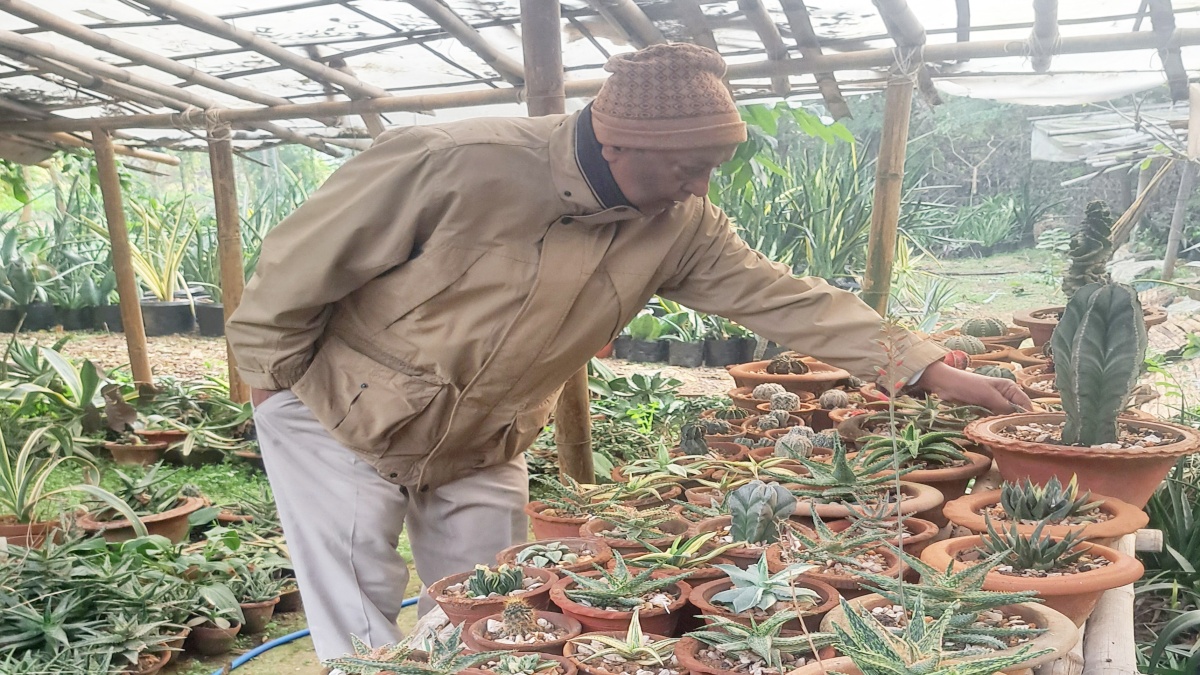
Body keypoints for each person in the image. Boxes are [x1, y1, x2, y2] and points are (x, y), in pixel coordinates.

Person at [226, 42, 1031, 661]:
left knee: (496, 599)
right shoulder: (455, 163)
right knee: (358, 608)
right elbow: (292, 274)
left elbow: (785, 298)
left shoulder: (678, 223)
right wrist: (272, 390)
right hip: (342, 414)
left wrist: (926, 365)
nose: (700, 186)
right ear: (618, 141)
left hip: (486, 437)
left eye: (713, 167)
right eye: (690, 165)